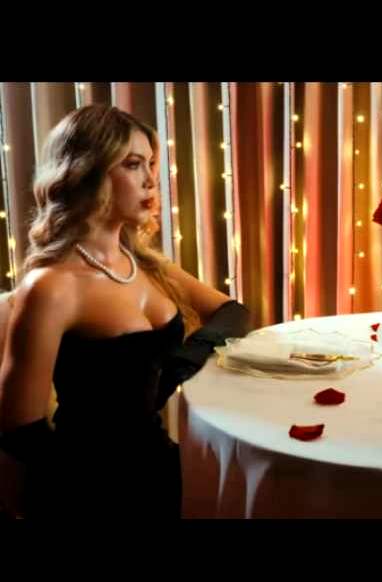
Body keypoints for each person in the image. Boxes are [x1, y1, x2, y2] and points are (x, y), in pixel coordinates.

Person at [0, 105, 250, 518]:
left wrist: (179, 365)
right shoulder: (51, 287)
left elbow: (233, 313)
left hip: (158, 466)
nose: (151, 179)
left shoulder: (145, 264)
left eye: (151, 164)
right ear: (86, 173)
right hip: (86, 489)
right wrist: (100, 489)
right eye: (133, 165)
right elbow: (19, 430)